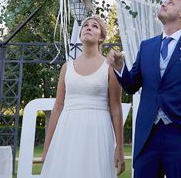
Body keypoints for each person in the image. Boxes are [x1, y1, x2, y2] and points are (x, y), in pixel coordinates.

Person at [107, 0, 181, 178]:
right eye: (164, 1)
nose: (164, 4)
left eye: (171, 2)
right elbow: (131, 85)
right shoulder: (146, 46)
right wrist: (120, 68)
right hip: (147, 136)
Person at [41, 15, 126, 177]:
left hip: (97, 131)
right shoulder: (67, 67)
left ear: (101, 37)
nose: (88, 27)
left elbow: (116, 108)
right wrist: (47, 148)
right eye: (85, 25)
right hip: (67, 130)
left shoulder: (109, 67)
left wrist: (120, 148)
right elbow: (58, 106)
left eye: (95, 26)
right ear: (80, 34)